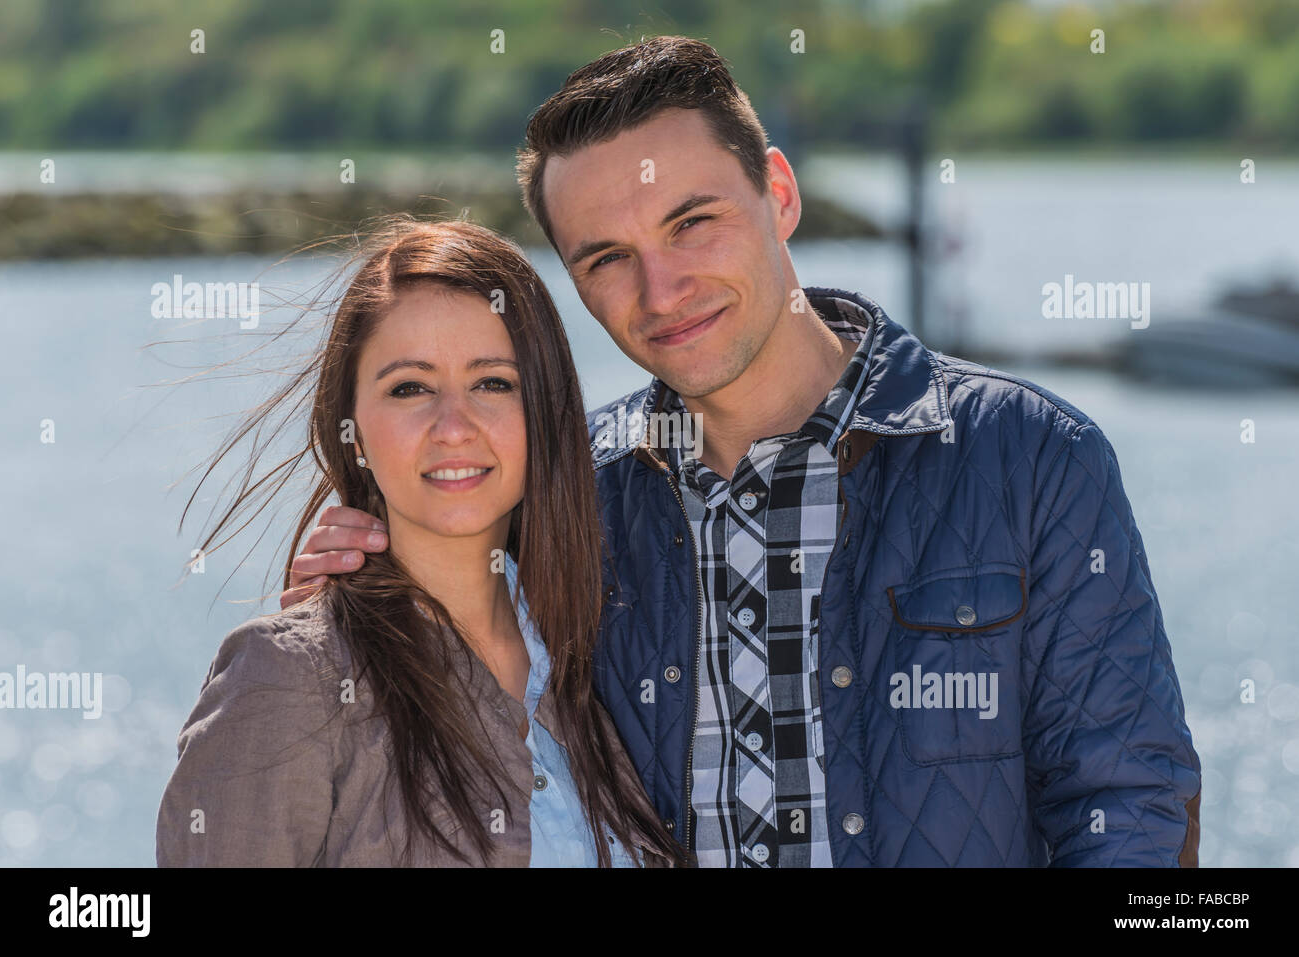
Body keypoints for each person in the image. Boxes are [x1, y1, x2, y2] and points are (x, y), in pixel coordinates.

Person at [284, 36, 1202, 867]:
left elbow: (1134, 812)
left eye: (693, 222)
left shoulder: (1030, 456)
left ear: (781, 193)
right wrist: (352, 599)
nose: (663, 288)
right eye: (606, 257)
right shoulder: (557, 498)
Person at [157, 218, 688, 867]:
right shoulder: (289, 677)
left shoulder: (589, 658)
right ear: (350, 428)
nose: (454, 426)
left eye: (493, 381)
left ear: (544, 413)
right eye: (409, 387)